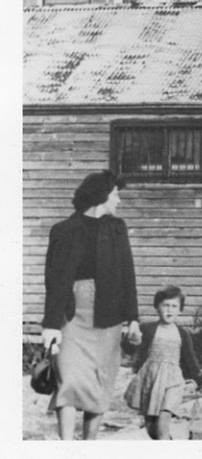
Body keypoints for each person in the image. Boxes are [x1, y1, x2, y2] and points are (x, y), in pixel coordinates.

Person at [41, 170, 141, 440]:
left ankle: (89, 445)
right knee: (69, 379)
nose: (118, 200)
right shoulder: (63, 230)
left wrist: (133, 318)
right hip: (72, 315)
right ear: (102, 195)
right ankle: (66, 447)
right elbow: (54, 281)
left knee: (99, 382)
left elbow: (127, 274)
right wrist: (51, 325)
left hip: (109, 315)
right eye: (116, 194)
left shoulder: (117, 228)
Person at [125, 286, 202, 440]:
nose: (169, 310)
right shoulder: (147, 329)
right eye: (165, 305)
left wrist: (201, 380)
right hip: (151, 380)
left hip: (173, 381)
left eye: (174, 306)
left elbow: (190, 359)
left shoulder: (183, 334)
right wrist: (131, 339)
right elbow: (130, 348)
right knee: (151, 428)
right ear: (157, 307)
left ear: (180, 310)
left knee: (164, 418)